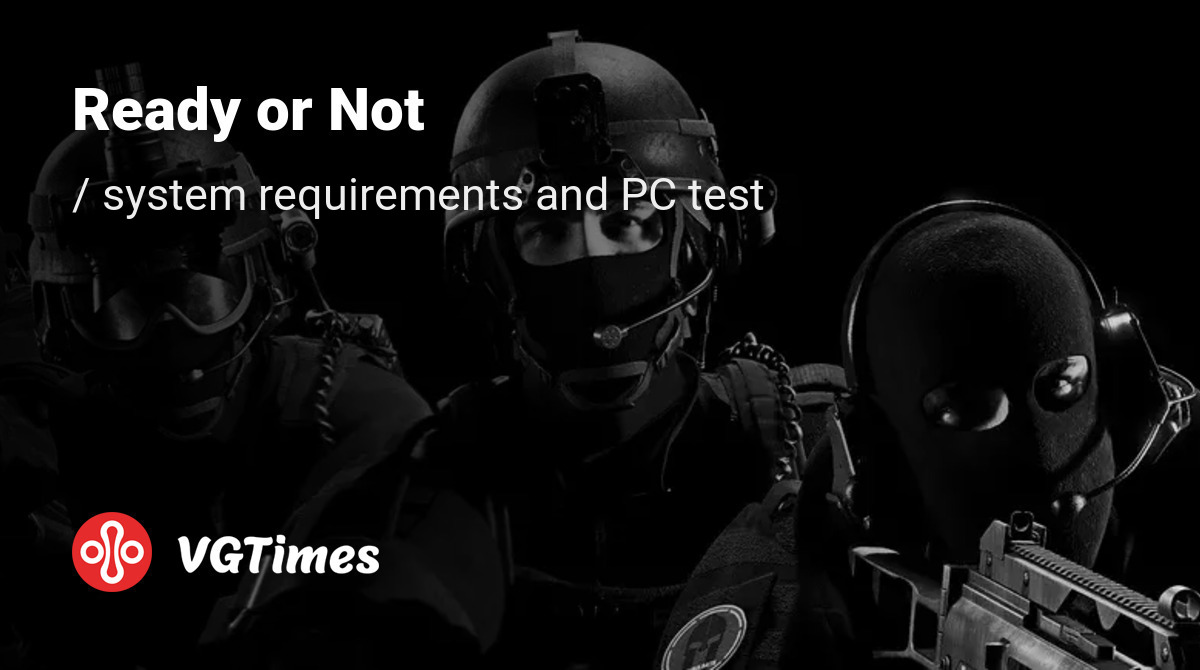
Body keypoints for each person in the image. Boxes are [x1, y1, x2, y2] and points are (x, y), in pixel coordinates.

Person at [421, 30, 837, 668]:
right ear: (493, 269)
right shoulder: (433, 471)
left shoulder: (810, 448)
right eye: (549, 232)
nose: (595, 274)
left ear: (697, 246)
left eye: (626, 224)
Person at [657, 200, 1196, 668]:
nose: (1038, 448)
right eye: (969, 406)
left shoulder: (1157, 559)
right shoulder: (768, 595)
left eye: (1063, 384)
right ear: (876, 446)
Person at [14, 64, 431, 668]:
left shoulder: (357, 412)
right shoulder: (55, 437)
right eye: (122, 309)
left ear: (262, 281)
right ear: (63, 315)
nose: (171, 338)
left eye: (201, 295)